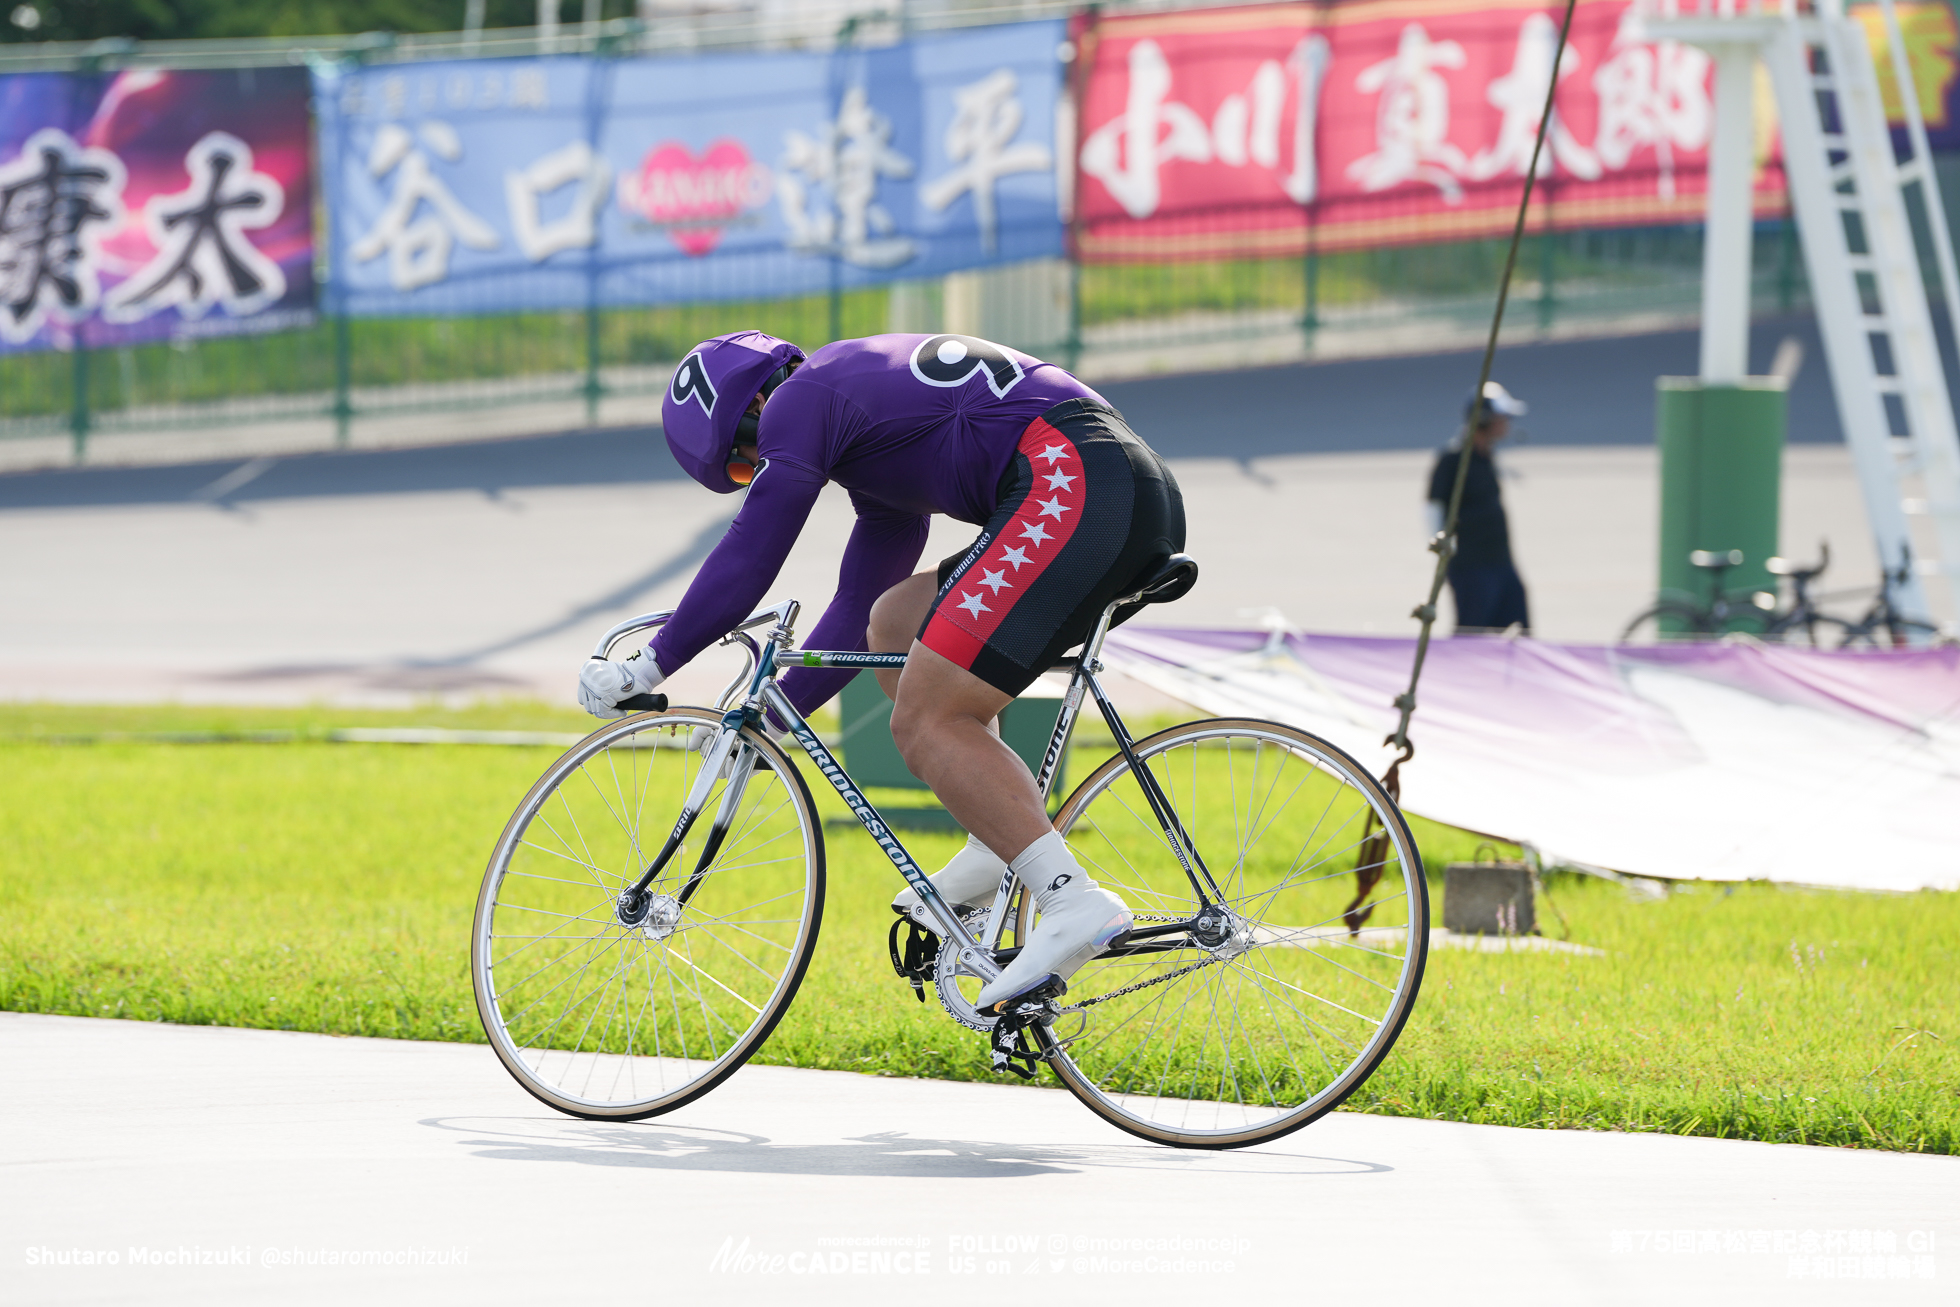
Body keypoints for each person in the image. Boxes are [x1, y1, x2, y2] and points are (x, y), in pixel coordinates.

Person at [577, 330, 1185, 1012]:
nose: (762, 468)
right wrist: (772, 717)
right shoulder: (872, 445)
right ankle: (998, 841)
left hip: (1072, 479)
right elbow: (856, 610)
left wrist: (651, 661)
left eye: (745, 466)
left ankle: (1071, 901)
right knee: (895, 623)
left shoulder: (801, 399)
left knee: (925, 717)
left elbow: (753, 549)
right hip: (1100, 480)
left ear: (751, 412)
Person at [1427, 380, 1530, 635]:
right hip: (1471, 566)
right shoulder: (1452, 460)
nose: (1507, 424)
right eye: (1501, 418)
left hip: (1500, 561)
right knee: (1472, 634)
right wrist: (1442, 550)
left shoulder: (1486, 456)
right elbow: (1432, 507)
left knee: (1519, 627)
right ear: (1483, 420)